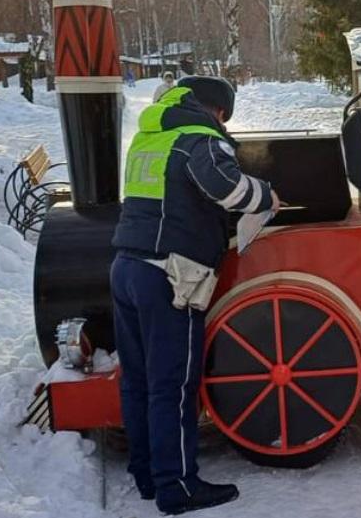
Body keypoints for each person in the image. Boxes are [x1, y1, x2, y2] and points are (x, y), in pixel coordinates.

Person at [110, 75, 279, 515]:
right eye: (224, 116)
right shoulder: (200, 139)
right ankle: (178, 486)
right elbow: (229, 190)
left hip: (127, 266)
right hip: (172, 273)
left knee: (139, 380)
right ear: (217, 110)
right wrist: (267, 195)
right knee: (175, 386)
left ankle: (147, 473)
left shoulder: (149, 139)